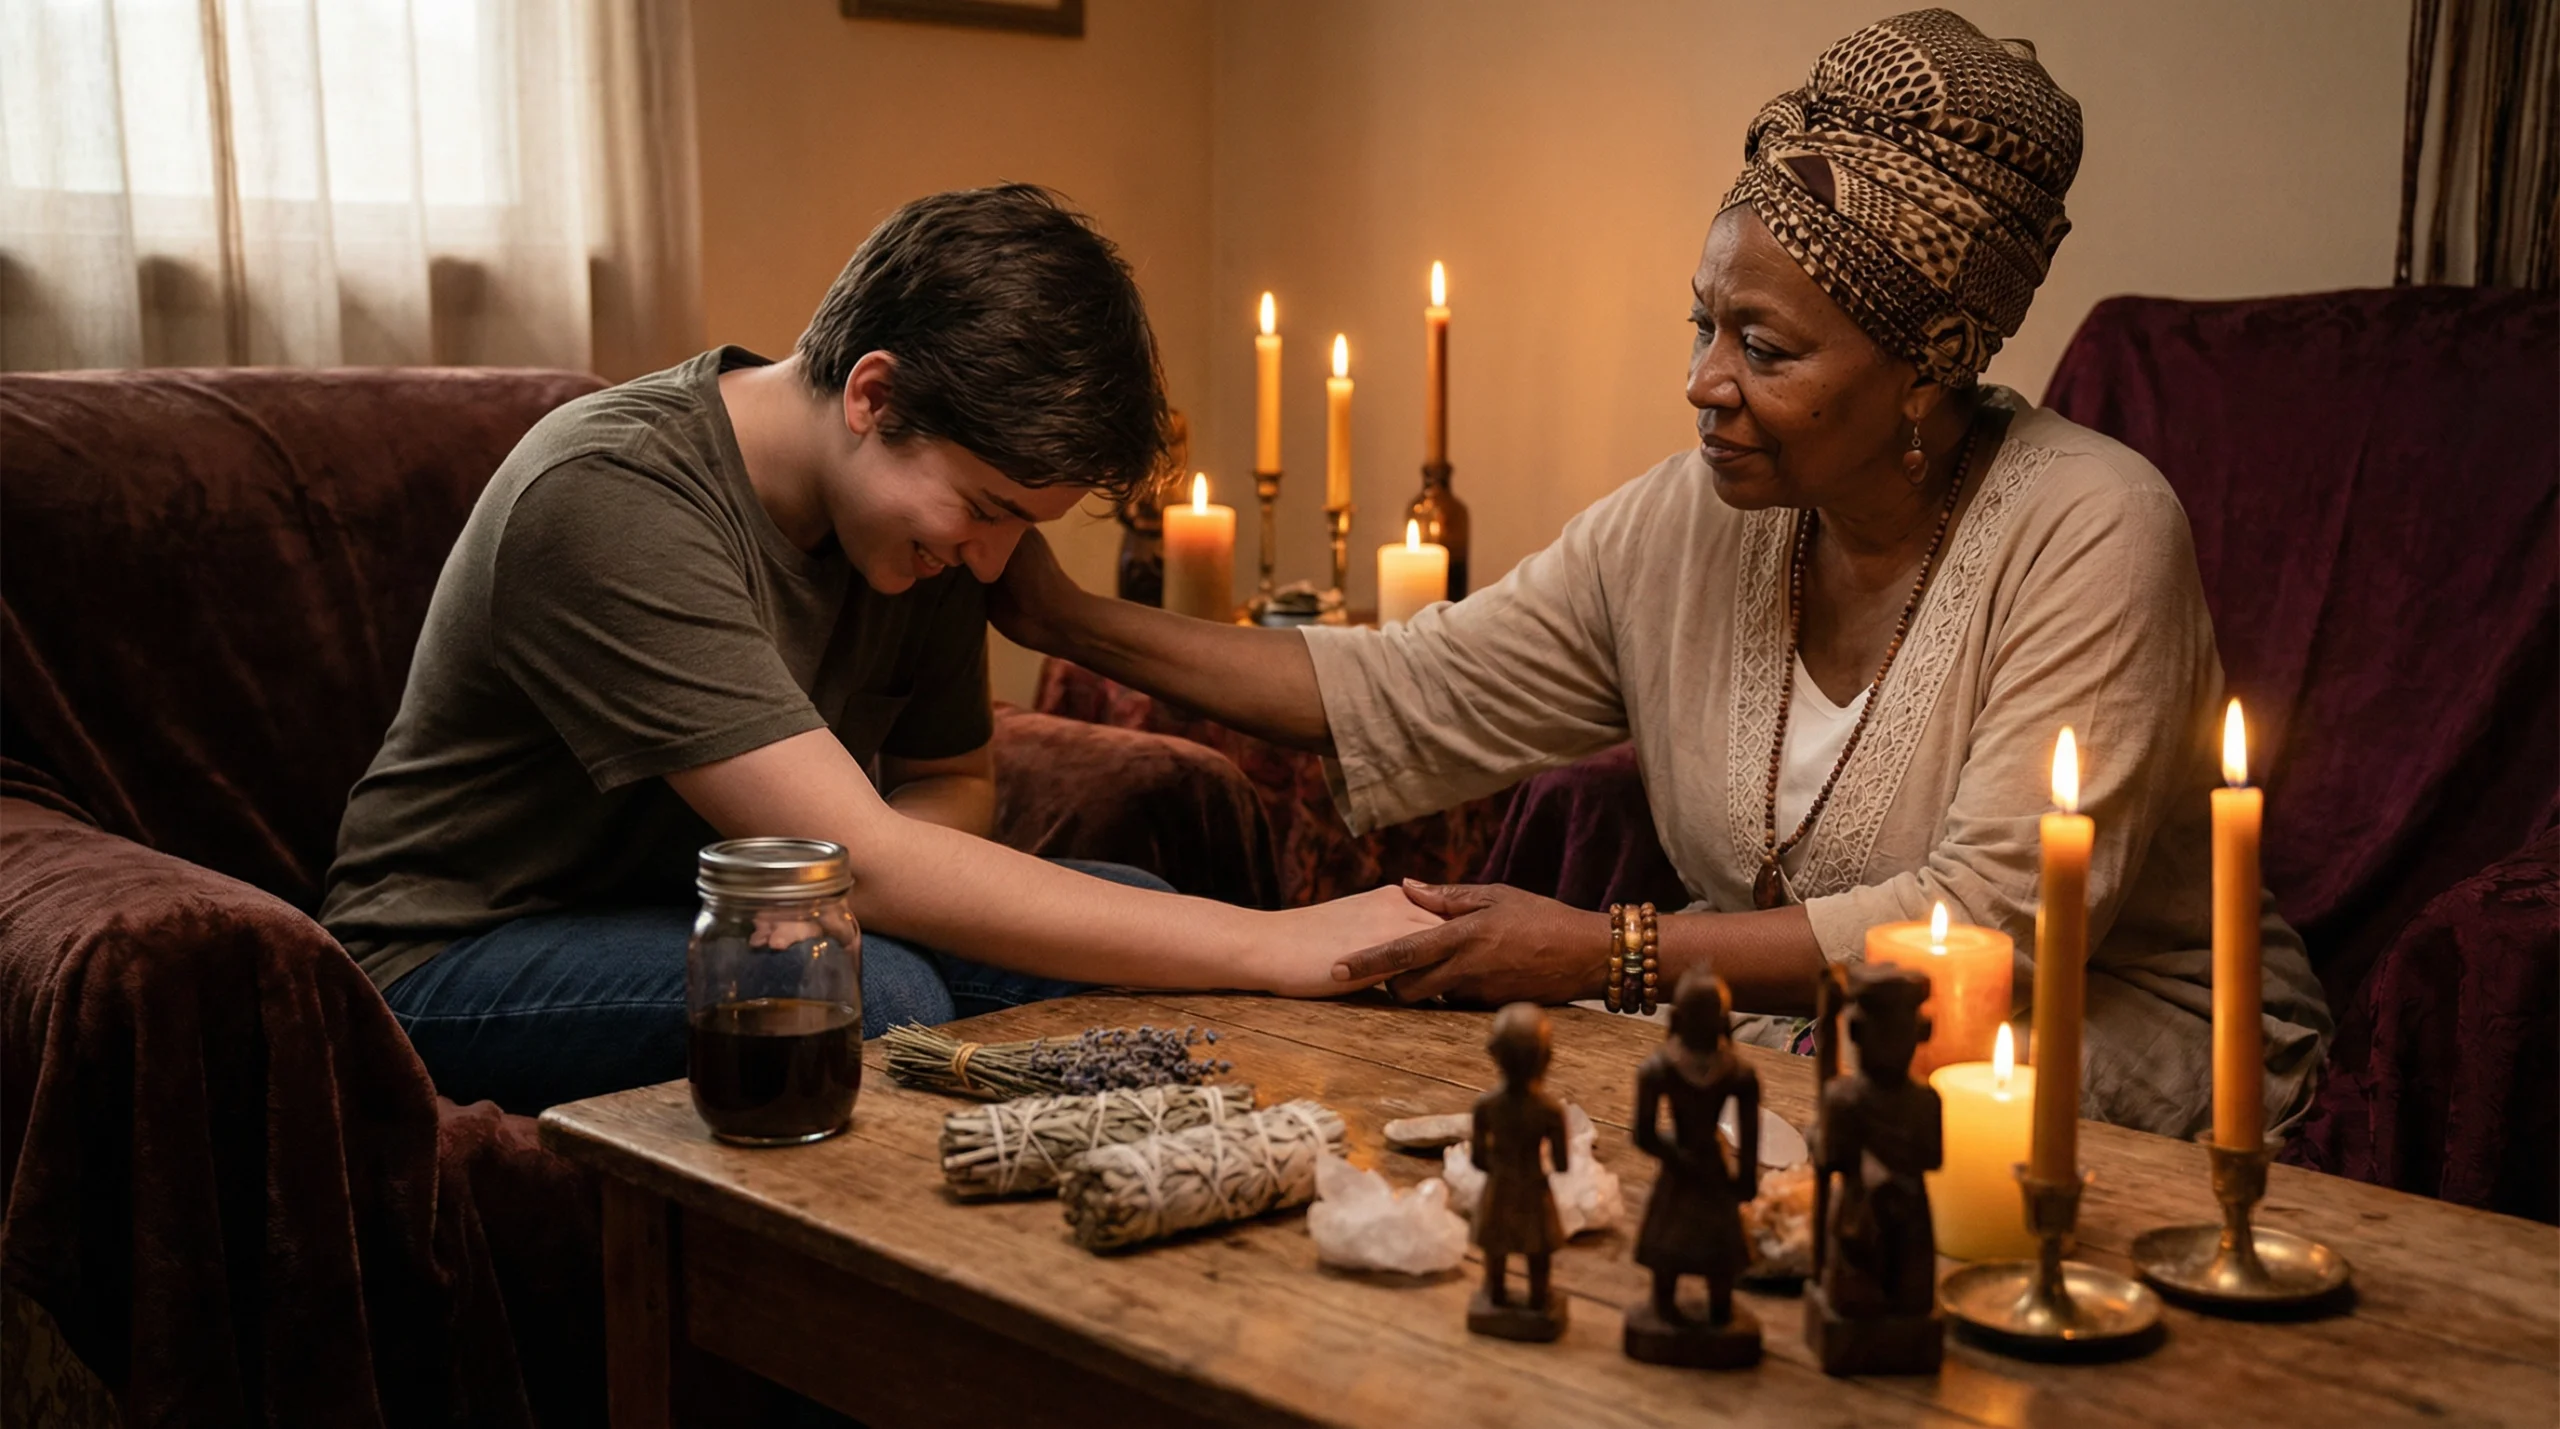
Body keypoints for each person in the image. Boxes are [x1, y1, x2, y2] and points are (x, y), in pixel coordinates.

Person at [990, 12, 2330, 1139]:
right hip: (1801, 1038)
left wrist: (1608, 952)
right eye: (1704, 322)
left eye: (1767, 348)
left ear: (1927, 358)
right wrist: (1057, 611)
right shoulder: (1697, 520)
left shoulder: (2094, 525)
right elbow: (1398, 684)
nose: (1704, 384)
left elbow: (1986, 929)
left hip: (2078, 1042)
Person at [321, 185, 1433, 1113]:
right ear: (872, 393)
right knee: (879, 990)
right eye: (987, 508)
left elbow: (947, 782)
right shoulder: (609, 495)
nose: (996, 563)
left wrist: (891, 890)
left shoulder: (913, 533)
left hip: (737, 913)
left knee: (1121, 911)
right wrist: (1280, 939)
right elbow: (866, 855)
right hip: (454, 961)